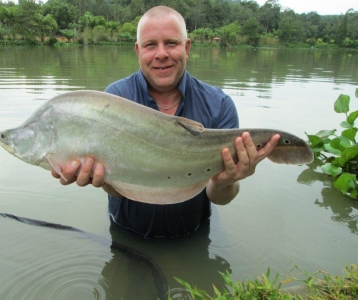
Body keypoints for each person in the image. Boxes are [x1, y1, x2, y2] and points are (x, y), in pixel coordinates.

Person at [52, 6, 280, 238]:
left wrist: (225, 182)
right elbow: (117, 189)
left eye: (171, 43)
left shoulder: (219, 105)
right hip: (126, 232)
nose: (161, 54)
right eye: (151, 45)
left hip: (193, 233)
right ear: (138, 51)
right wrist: (100, 179)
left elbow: (220, 198)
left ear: (187, 47)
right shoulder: (115, 99)